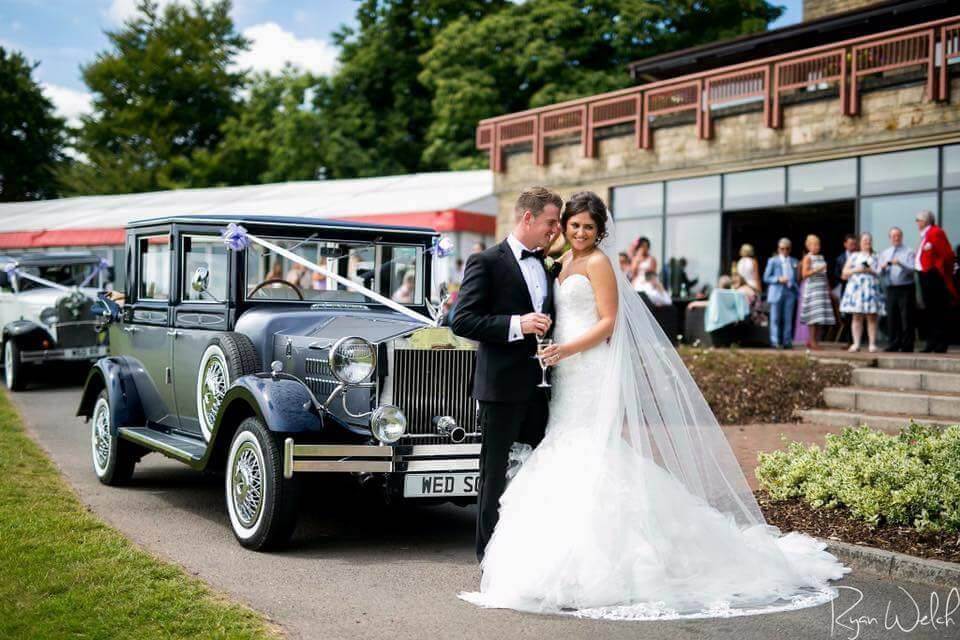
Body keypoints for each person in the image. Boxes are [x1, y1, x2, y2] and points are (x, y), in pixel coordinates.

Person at [459, 191, 848, 619]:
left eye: (586, 226)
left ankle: (596, 564)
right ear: (551, 223)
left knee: (590, 455)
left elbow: (608, 321)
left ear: (599, 231)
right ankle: (515, 556)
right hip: (553, 379)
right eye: (568, 225)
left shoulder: (597, 263)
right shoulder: (547, 262)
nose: (572, 232)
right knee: (535, 461)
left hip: (582, 368)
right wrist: (531, 333)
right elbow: (470, 318)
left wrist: (565, 350)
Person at [450, 185, 562, 563]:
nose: (556, 229)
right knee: (494, 474)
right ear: (527, 218)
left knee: (538, 470)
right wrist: (518, 323)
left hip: (544, 387)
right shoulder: (487, 261)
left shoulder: (549, 263)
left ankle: (528, 552)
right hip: (500, 387)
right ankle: (489, 557)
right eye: (551, 221)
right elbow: (461, 320)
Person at [914, 210, 957, 353]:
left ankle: (940, 343)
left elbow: (947, 254)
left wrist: (937, 269)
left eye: (918, 219)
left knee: (938, 310)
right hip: (924, 275)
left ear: (925, 221)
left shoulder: (935, 232)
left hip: (932, 276)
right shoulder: (926, 235)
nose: (916, 222)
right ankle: (931, 342)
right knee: (930, 311)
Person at [840, 232, 885, 353]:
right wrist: (857, 269)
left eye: (869, 240)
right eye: (865, 240)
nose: (867, 242)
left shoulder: (876, 256)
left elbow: (881, 272)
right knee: (857, 316)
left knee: (872, 317)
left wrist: (870, 270)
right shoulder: (854, 255)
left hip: (871, 287)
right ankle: (856, 344)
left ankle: (872, 344)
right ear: (860, 242)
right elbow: (844, 271)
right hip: (857, 289)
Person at [878, 227, 916, 352]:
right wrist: (883, 268)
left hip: (905, 287)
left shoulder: (909, 251)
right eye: (893, 236)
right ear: (890, 238)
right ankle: (894, 343)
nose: (896, 238)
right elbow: (879, 272)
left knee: (906, 318)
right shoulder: (885, 253)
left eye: (898, 235)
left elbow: (912, 269)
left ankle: (907, 345)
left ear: (902, 236)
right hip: (891, 288)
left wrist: (900, 263)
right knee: (892, 318)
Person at [799, 234, 835, 350]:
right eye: (814, 245)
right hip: (813, 289)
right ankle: (812, 341)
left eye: (818, 244)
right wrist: (816, 270)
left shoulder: (821, 257)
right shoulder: (808, 258)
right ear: (808, 246)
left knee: (820, 317)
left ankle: (815, 341)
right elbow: (804, 274)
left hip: (822, 290)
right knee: (813, 317)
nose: (816, 247)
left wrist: (829, 290)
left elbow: (825, 276)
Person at [762, 238, 799, 349]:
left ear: (790, 249)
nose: (785, 251)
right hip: (776, 291)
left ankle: (787, 342)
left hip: (790, 292)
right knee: (775, 318)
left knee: (788, 319)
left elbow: (797, 277)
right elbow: (766, 277)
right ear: (778, 249)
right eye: (782, 249)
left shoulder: (794, 261)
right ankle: (775, 342)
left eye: (787, 249)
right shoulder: (773, 261)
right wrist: (778, 279)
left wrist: (795, 286)